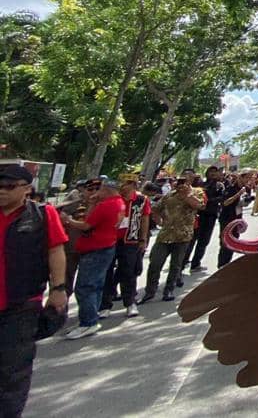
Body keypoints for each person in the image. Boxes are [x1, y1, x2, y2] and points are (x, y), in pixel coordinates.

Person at [0, 164, 68, 417]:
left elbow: (56, 251)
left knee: (12, 369)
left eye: (8, 187)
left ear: (27, 189)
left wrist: (58, 288)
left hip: (21, 304)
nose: (2, 192)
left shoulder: (42, 214)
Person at [61, 179, 124, 339]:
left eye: (99, 189)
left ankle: (88, 322)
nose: (96, 192)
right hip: (105, 247)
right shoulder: (118, 203)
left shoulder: (107, 205)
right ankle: (89, 318)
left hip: (96, 248)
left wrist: (67, 220)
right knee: (95, 285)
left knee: (85, 287)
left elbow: (86, 225)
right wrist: (92, 203)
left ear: (107, 190)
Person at [141, 175, 205, 303]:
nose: (181, 184)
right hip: (165, 235)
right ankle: (150, 291)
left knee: (176, 265)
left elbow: (200, 206)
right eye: (179, 182)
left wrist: (187, 195)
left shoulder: (196, 193)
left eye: (184, 182)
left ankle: (169, 290)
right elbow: (155, 208)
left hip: (182, 236)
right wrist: (158, 219)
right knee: (155, 263)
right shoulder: (169, 195)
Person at [100, 178, 150, 318]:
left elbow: (145, 218)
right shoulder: (112, 198)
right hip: (109, 239)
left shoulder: (141, 199)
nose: (122, 186)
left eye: (126, 183)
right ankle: (105, 305)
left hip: (131, 240)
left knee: (129, 271)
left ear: (133, 185)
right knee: (107, 271)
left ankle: (130, 302)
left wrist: (143, 238)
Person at [187, 166, 225, 272]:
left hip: (210, 216)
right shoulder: (201, 185)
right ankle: (184, 262)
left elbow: (222, 198)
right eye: (211, 172)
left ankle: (195, 263)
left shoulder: (219, 185)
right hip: (199, 215)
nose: (213, 174)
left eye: (215, 172)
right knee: (192, 240)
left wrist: (208, 201)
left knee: (203, 241)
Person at [216, 172, 247, 268]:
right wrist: (238, 194)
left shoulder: (245, 189)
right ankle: (221, 265)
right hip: (227, 218)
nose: (248, 180)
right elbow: (225, 203)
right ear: (239, 178)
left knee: (234, 242)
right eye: (246, 178)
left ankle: (227, 264)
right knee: (225, 242)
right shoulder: (230, 188)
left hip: (236, 219)